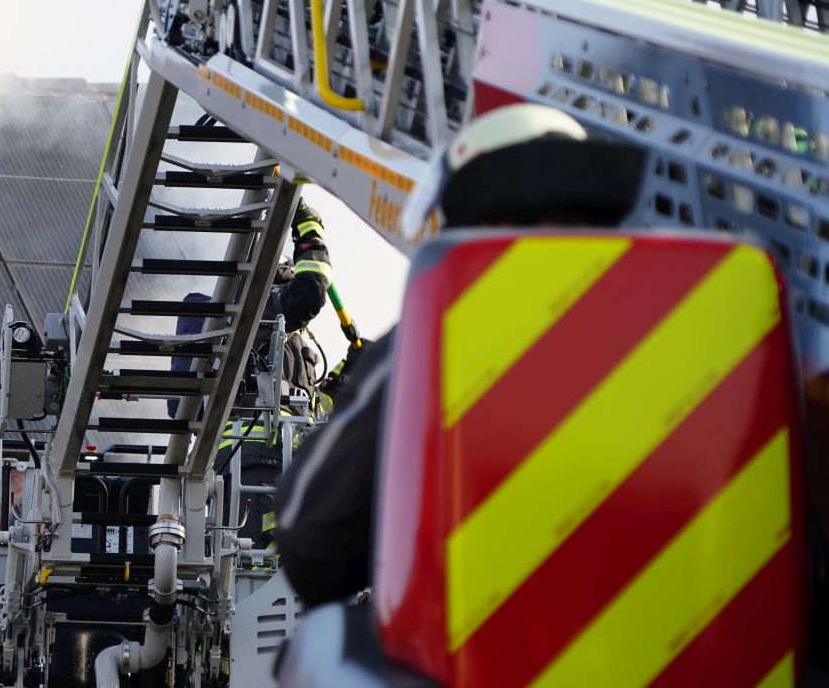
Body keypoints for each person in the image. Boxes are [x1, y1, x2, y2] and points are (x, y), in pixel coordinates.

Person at [274, 103, 651, 608]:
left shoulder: (439, 343)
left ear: (485, 217)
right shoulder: (670, 320)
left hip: (492, 638)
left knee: (328, 636)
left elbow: (313, 546)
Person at [171, 199, 334, 545]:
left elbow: (310, 403)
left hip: (285, 462)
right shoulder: (253, 315)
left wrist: (345, 378)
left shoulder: (287, 338)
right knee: (259, 563)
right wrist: (309, 229)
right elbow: (311, 289)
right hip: (256, 462)